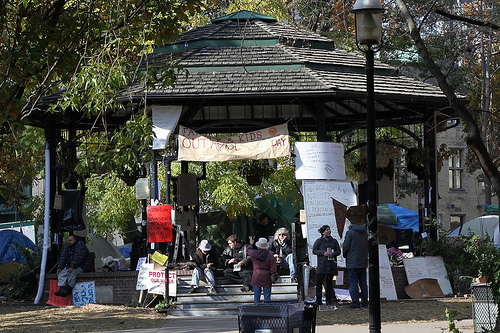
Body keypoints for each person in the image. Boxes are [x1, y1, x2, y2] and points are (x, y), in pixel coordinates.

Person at [312, 225, 341, 305]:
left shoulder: (334, 241)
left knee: (329, 283)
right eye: (327, 230)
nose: (329, 231)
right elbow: (314, 250)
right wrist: (323, 253)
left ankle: (329, 300)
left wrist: (333, 254)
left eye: (329, 229)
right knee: (319, 282)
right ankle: (318, 301)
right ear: (323, 232)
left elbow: (338, 251)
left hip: (331, 264)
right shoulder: (319, 241)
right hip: (321, 265)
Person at [343, 222, 369, 308]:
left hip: (352, 261)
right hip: (363, 261)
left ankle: (355, 302)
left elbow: (346, 246)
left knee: (353, 283)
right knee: (363, 283)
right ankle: (365, 302)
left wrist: (345, 255)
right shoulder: (365, 232)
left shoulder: (350, 232)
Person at [247, 237, 278, 303]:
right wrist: (273, 273)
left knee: (256, 294)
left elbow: (248, 251)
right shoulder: (270, 254)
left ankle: (257, 308)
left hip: (256, 274)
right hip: (266, 274)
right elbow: (273, 265)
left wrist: (251, 244)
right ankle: (267, 308)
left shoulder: (253, 253)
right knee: (267, 294)